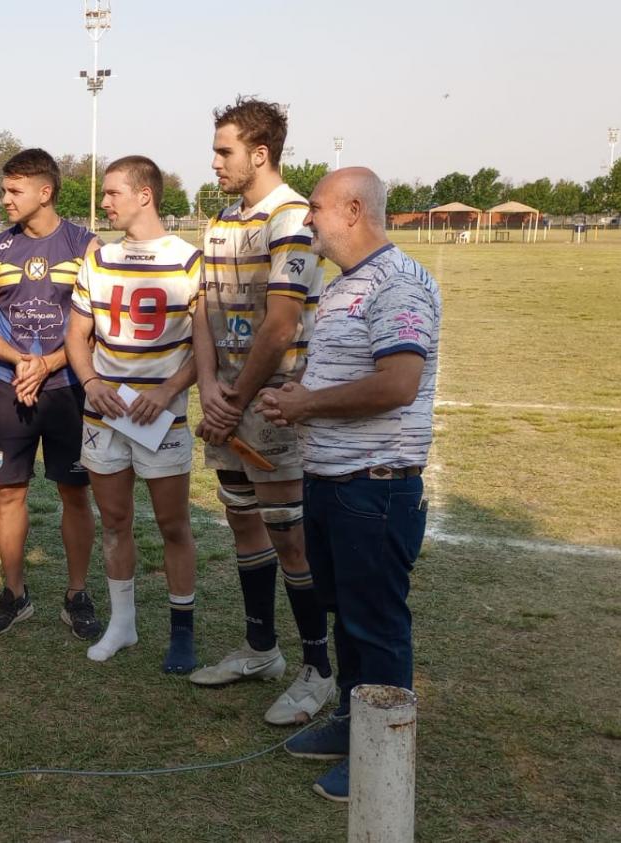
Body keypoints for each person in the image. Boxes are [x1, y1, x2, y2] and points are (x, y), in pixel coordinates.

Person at [259, 167, 441, 802]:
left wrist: (307, 406)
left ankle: (382, 755)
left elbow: (398, 385)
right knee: (346, 615)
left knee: (377, 624)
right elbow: (337, 378)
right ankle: (350, 722)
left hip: (376, 486)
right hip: (331, 480)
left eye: (315, 207)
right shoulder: (342, 288)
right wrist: (296, 397)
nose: (308, 219)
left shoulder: (400, 282)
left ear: (353, 209)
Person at [188, 97, 336, 725]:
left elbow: (279, 326)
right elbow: (200, 311)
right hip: (225, 400)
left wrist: (235, 400)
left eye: (224, 151)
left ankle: (318, 670)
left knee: (289, 535)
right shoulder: (222, 220)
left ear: (259, 154)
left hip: (272, 405)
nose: (215, 161)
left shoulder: (293, 218)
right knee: (243, 523)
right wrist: (207, 387)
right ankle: (260, 649)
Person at [64, 155, 202, 673]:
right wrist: (93, 382)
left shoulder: (189, 261)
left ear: (145, 195)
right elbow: (77, 336)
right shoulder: (98, 261)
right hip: (104, 418)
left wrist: (167, 390)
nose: (104, 203)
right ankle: (123, 624)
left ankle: (181, 632)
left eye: (113, 192)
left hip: (161, 419)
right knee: (115, 521)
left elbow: (203, 346)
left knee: (173, 524)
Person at [0, 149, 101, 638]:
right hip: (8, 390)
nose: (4, 199)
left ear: (45, 192)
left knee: (75, 495)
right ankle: (14, 592)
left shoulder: (87, 246)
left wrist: (48, 364)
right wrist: (21, 361)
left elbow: (97, 325)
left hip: (68, 393)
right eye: (4, 189)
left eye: (14, 190)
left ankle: (77, 593)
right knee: (9, 496)